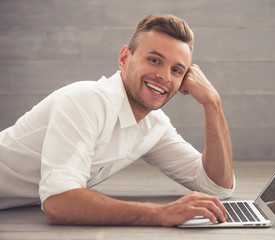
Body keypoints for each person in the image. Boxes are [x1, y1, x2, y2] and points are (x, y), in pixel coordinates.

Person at [0, 14, 235, 227]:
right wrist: (160, 213)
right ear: (124, 58)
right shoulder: (85, 100)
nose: (164, 76)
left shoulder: (155, 127)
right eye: (154, 60)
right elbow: (58, 202)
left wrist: (212, 104)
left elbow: (217, 187)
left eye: (176, 70)